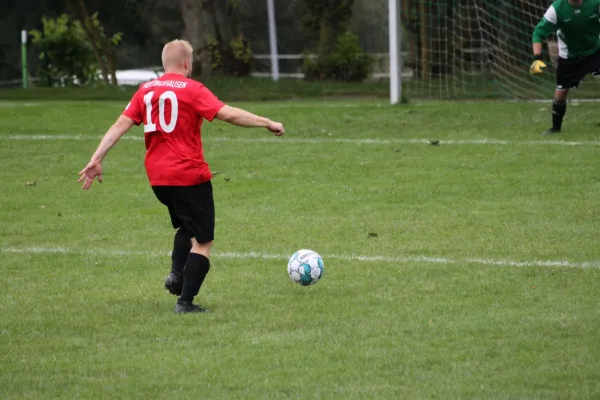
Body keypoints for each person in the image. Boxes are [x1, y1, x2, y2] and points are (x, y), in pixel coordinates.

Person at [78, 39, 285, 313]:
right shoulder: (192, 89)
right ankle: (185, 302)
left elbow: (120, 124)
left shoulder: (145, 90)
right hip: (188, 175)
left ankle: (176, 274)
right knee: (204, 240)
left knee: (188, 227)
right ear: (187, 63)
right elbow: (228, 114)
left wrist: (96, 158)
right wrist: (266, 122)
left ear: (165, 64)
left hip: (158, 179)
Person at [530, 0, 600, 134]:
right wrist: (537, 58)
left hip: (595, 50)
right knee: (561, 93)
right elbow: (538, 32)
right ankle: (555, 127)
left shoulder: (595, 3)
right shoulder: (557, 9)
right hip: (569, 56)